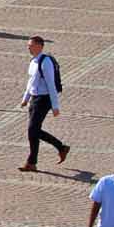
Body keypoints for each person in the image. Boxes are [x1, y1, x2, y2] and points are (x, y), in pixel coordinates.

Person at [18, 35, 69, 173]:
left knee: (32, 130)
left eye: (31, 45)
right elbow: (32, 81)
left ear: (40, 46)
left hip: (44, 99)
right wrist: (26, 98)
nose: (28, 47)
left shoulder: (45, 62)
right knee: (33, 132)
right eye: (28, 45)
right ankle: (59, 149)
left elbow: (51, 84)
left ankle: (33, 161)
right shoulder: (33, 61)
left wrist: (55, 106)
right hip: (35, 98)